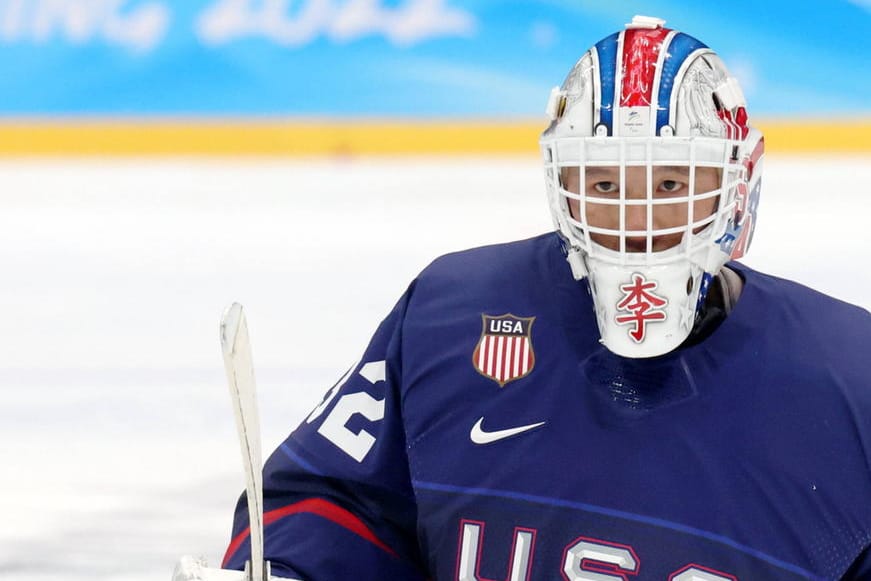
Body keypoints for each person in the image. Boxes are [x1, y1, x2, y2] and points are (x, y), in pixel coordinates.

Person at [223, 15, 871, 580]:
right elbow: (336, 503)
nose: (635, 221)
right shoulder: (449, 315)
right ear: (561, 182)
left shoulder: (851, 382)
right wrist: (285, 568)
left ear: (737, 185)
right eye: (604, 183)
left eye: (670, 181)